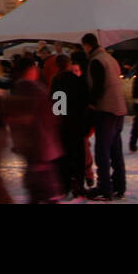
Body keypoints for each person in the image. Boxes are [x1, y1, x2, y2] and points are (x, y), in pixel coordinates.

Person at [0, 56, 62, 203]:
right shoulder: (35, 89)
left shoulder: (19, 89)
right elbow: (51, 115)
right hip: (41, 149)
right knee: (46, 193)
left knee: (38, 192)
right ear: (31, 70)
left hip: (33, 151)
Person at [83, 32, 127, 200]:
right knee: (116, 150)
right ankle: (119, 186)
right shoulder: (110, 58)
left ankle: (104, 188)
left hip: (106, 109)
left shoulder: (96, 61)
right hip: (119, 108)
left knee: (102, 150)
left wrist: (92, 104)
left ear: (87, 45)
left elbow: (98, 86)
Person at [51, 52, 90, 199]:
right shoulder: (77, 80)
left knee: (64, 157)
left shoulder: (56, 80)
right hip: (77, 123)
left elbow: (56, 105)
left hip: (63, 124)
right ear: (68, 64)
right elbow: (85, 101)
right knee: (78, 155)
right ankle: (79, 183)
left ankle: (65, 185)